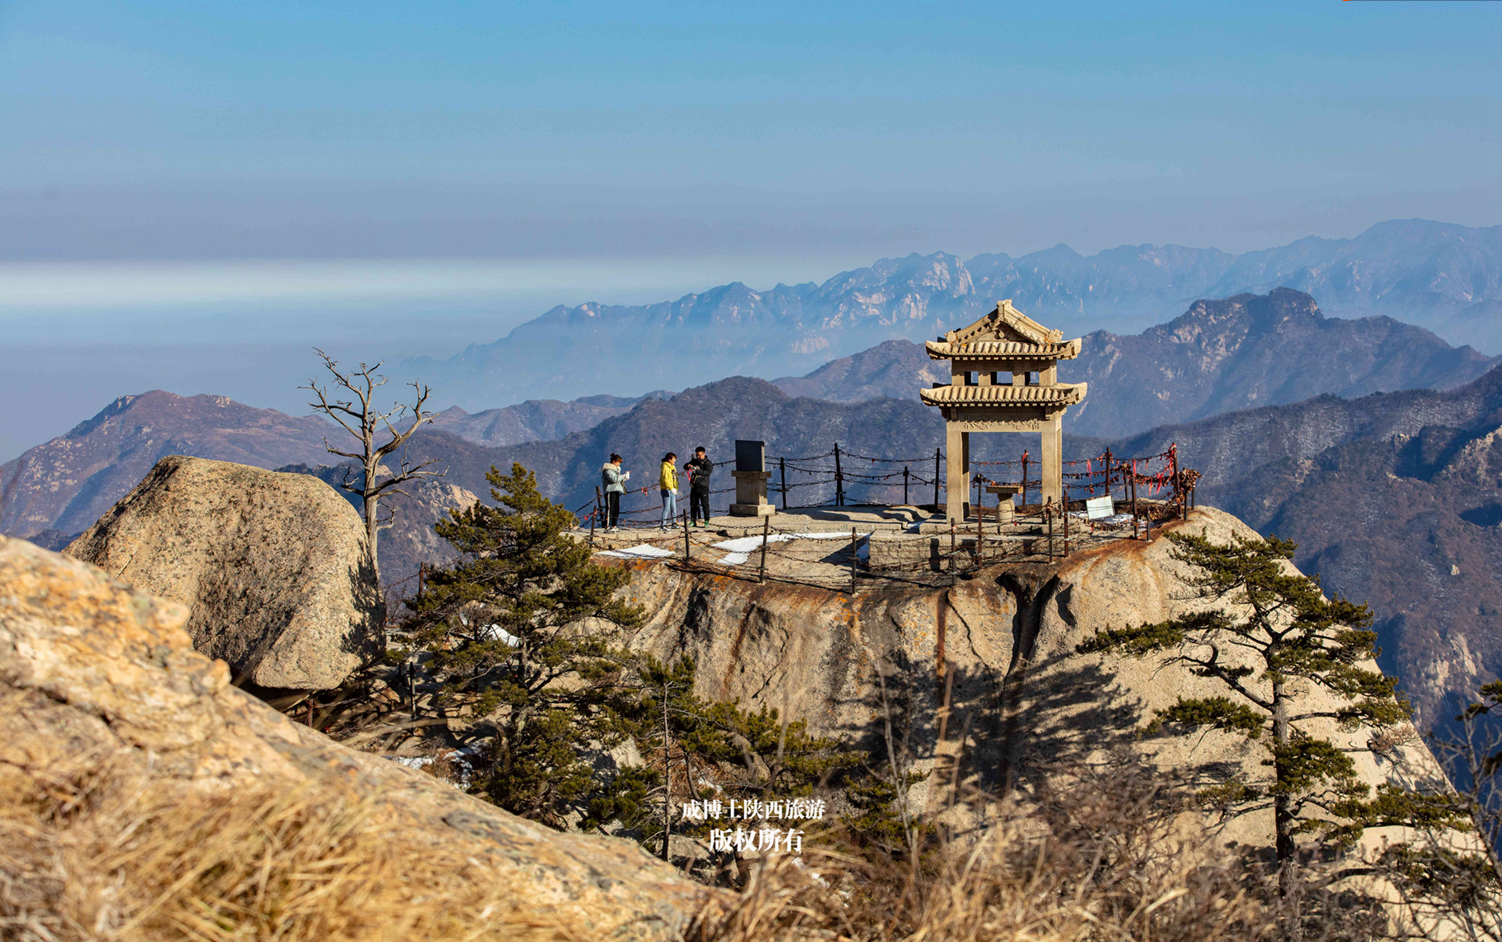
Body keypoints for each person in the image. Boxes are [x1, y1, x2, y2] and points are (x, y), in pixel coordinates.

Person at [684, 446, 714, 527]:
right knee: (693, 504)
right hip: (694, 485)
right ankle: (693, 520)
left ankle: (706, 520)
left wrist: (697, 471)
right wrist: (688, 466)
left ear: (704, 454)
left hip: (703, 486)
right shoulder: (694, 461)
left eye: (700, 455)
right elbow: (685, 466)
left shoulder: (708, 463)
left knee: (705, 504)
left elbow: (707, 472)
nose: (698, 457)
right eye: (697, 455)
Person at [601, 454, 626, 531]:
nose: (619, 464)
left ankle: (614, 525)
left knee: (616, 508)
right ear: (614, 461)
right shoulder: (607, 470)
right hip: (610, 490)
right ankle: (607, 526)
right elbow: (614, 479)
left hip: (616, 490)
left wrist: (624, 478)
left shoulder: (616, 470)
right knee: (610, 508)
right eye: (618, 462)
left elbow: (618, 479)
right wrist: (623, 476)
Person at [658, 452, 678, 529]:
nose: (674, 461)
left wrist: (675, 487)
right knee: (666, 508)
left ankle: (674, 522)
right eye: (673, 459)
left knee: (673, 507)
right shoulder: (665, 468)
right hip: (666, 489)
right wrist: (671, 488)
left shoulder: (672, 467)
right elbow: (666, 480)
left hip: (672, 489)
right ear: (669, 459)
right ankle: (663, 524)